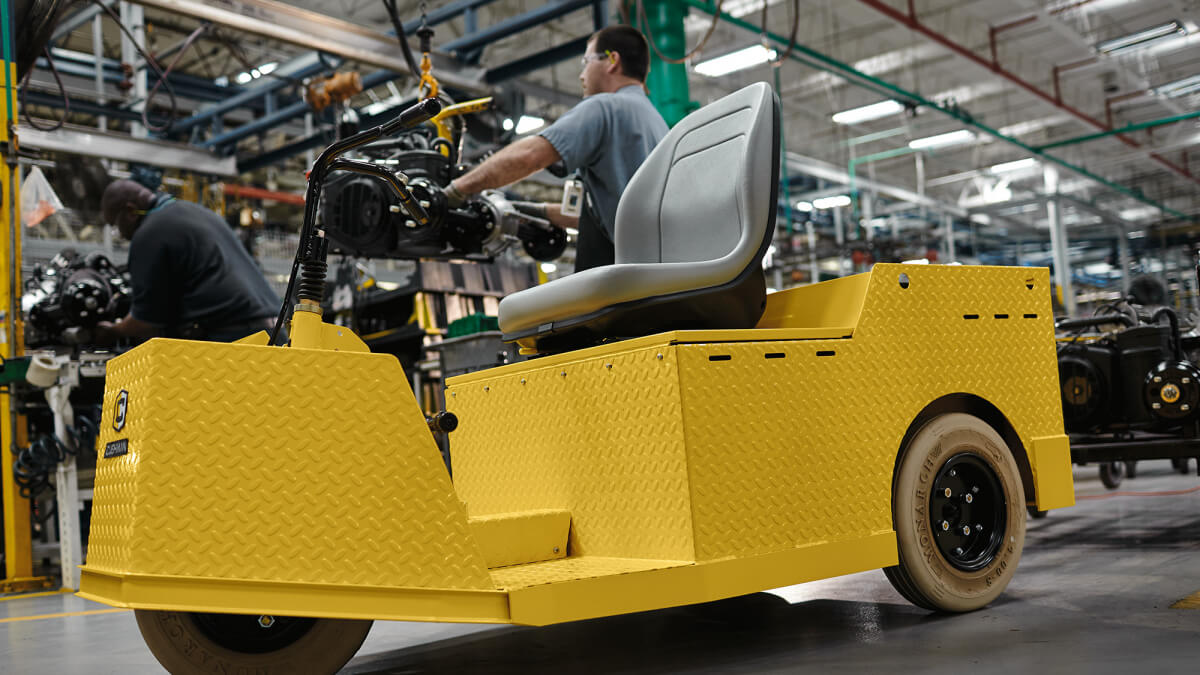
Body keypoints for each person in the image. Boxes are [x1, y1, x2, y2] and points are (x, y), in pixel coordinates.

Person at [443, 24, 669, 271]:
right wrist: (527, 210)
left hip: (628, 278)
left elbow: (530, 156)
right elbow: (602, 215)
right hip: (658, 269)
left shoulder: (605, 107)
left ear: (612, 60)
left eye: (586, 61)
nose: (582, 75)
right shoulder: (656, 122)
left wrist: (456, 190)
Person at [95, 179, 282, 344]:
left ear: (130, 211)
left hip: (236, 339)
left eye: (115, 225)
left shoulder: (149, 233)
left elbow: (147, 322)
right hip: (276, 333)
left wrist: (113, 331)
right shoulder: (197, 212)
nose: (119, 233)